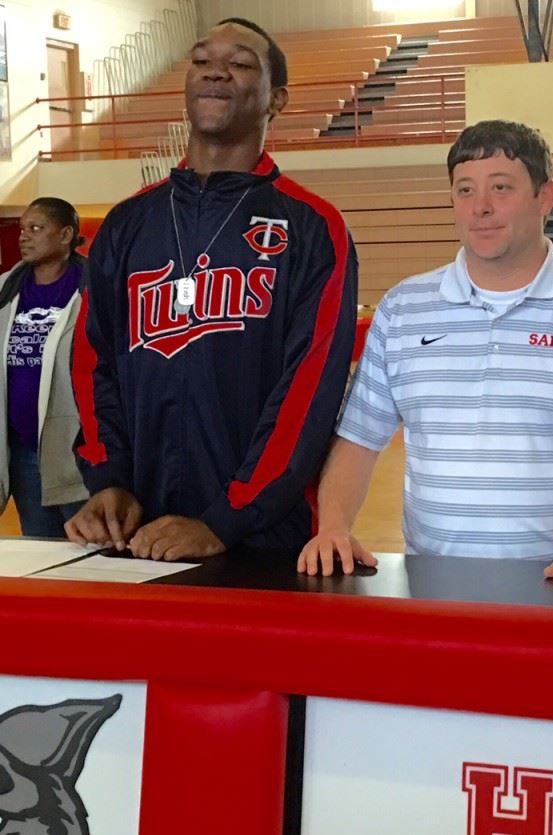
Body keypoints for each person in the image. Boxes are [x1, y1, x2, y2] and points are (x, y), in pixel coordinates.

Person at [298, 119, 553, 589]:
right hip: (434, 587)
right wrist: (333, 528)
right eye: (465, 190)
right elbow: (359, 441)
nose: (481, 208)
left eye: (502, 188)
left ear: (545, 196)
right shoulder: (404, 309)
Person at [66, 17, 357, 560]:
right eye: (201, 61)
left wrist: (229, 518)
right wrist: (108, 478)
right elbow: (91, 362)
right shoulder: (128, 222)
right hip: (137, 536)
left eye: (241, 63)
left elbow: (309, 389)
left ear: (279, 100)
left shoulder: (313, 227)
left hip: (264, 541)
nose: (215, 72)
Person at [0, 198, 88, 535]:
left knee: (90, 555)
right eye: (23, 229)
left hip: (77, 451)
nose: (24, 236)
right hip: (23, 451)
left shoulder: (93, 287)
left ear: (65, 235)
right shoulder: (7, 289)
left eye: (36, 229)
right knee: (41, 553)